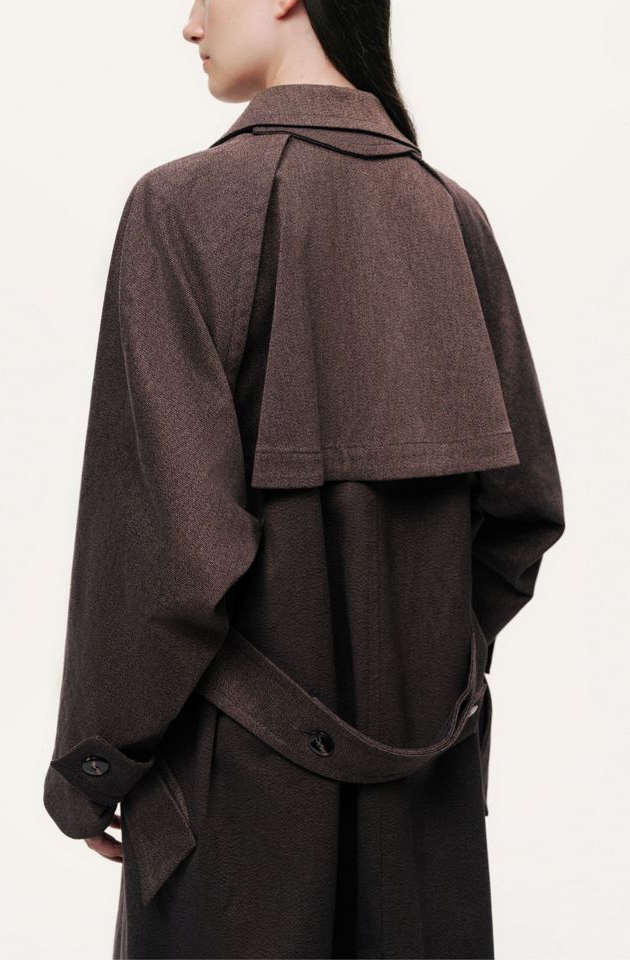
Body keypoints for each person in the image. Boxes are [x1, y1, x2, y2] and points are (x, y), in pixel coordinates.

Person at [43, 1, 566, 958]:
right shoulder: (454, 216)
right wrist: (420, 672)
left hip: (232, 824)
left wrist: (95, 764)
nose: (190, 24)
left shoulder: (180, 208)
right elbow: (523, 515)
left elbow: (167, 555)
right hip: (427, 806)